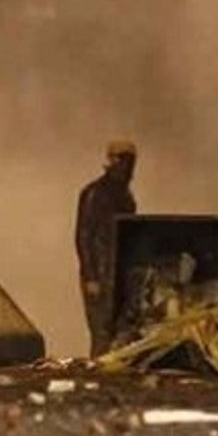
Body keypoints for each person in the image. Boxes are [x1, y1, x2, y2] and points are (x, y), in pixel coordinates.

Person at [75, 140, 137, 358]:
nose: (128, 167)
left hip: (116, 272)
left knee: (116, 331)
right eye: (124, 160)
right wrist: (91, 276)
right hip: (100, 273)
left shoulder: (125, 197)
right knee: (101, 331)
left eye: (130, 161)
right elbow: (84, 236)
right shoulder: (95, 194)